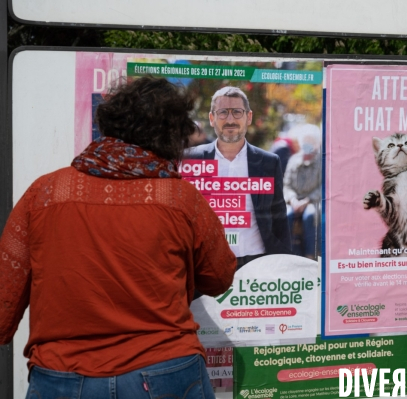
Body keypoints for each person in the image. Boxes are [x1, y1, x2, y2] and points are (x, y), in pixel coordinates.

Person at [0, 77, 237, 398]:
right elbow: (220, 276)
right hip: (167, 371)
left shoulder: (45, 193)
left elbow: (5, 302)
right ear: (169, 136)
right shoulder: (182, 199)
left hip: (64, 375)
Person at [186, 86, 291, 268]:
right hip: (205, 265)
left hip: (257, 265)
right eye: (223, 113)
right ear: (212, 119)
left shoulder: (268, 162)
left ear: (248, 117)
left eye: (237, 112)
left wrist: (285, 266)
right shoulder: (189, 160)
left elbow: (279, 218)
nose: (230, 119)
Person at [283, 124, 322, 259]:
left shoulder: (321, 161)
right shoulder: (294, 160)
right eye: (305, 141)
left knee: (310, 216)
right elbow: (286, 184)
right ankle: (288, 255)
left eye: (311, 141)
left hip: (313, 201)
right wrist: (293, 200)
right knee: (286, 216)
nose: (308, 144)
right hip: (294, 201)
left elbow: (322, 187)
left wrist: (306, 201)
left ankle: (311, 255)